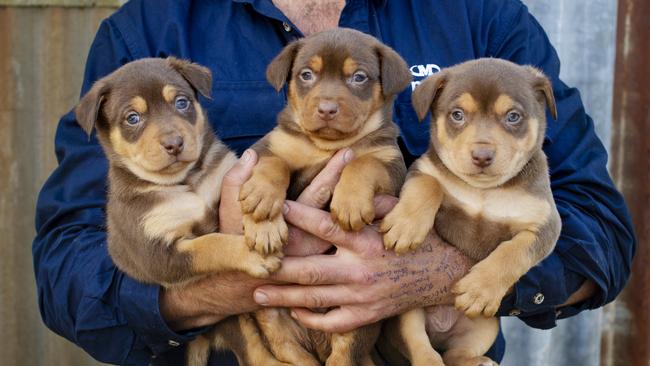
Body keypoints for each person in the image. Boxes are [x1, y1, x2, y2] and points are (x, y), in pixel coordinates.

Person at [32, 0, 635, 365]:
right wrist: (232, 282)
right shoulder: (149, 28)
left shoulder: (480, 15)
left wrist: (441, 276)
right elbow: (67, 270)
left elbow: (601, 234)